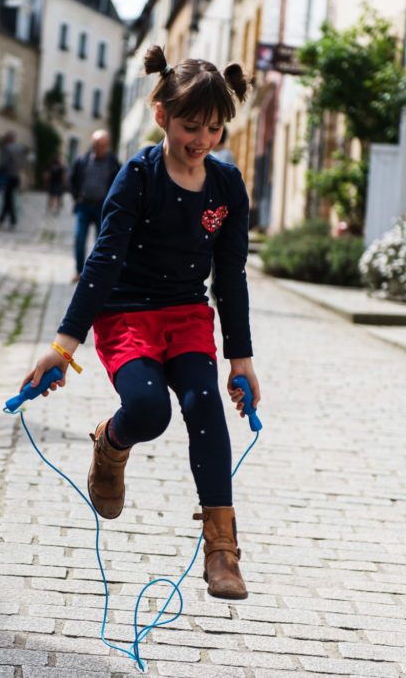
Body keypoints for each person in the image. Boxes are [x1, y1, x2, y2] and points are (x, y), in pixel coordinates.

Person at [21, 46, 259, 601]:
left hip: (187, 317)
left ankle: (222, 547)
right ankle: (110, 442)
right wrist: (64, 346)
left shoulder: (227, 188)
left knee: (204, 405)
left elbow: (231, 274)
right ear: (162, 117)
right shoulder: (138, 175)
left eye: (213, 129)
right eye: (189, 126)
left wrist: (240, 358)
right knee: (149, 411)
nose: (200, 139)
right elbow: (102, 261)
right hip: (127, 314)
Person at [69, 130, 121, 281]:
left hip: (102, 208)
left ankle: (97, 274)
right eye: (97, 145)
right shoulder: (82, 160)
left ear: (108, 146)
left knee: (102, 242)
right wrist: (75, 196)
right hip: (84, 205)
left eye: (102, 145)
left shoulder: (113, 162)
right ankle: (79, 271)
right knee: (79, 238)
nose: (99, 148)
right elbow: (71, 178)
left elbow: (119, 183)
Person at [0, 131, 26, 229]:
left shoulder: (7, 148)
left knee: (8, 200)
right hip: (16, 176)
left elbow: (3, 163)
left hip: (8, 176)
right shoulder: (20, 148)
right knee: (8, 198)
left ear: (8, 139)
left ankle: (11, 220)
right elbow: (22, 164)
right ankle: (2, 219)